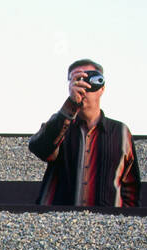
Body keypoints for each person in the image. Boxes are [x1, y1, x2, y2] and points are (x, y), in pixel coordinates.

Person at [28, 60, 140, 207]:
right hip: (58, 222)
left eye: (89, 78)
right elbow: (40, 149)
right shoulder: (59, 125)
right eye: (77, 80)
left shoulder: (120, 132)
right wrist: (70, 106)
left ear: (101, 87)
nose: (83, 85)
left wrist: (122, 221)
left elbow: (131, 188)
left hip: (106, 224)